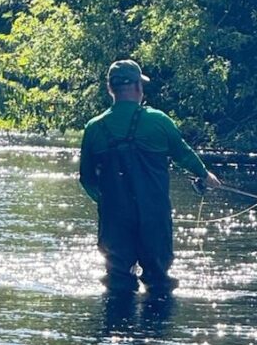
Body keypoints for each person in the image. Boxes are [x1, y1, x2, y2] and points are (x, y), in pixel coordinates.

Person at [79, 59, 221, 296]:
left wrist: (106, 201)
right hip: (153, 218)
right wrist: (205, 175)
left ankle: (116, 327)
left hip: (114, 220)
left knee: (117, 282)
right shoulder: (158, 121)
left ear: (110, 89)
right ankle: (154, 331)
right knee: (158, 282)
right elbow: (183, 154)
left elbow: (86, 179)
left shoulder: (94, 128)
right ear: (137, 87)